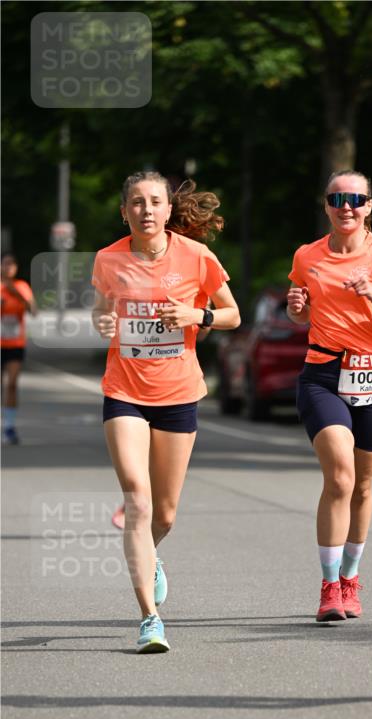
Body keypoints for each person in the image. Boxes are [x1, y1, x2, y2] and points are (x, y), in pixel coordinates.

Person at [92, 172, 240, 652]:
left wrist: (198, 315)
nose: (146, 210)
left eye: (155, 201)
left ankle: (148, 556)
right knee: (138, 500)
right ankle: (149, 620)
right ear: (125, 212)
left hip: (178, 393)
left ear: (168, 210)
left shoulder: (196, 257)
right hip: (124, 391)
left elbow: (233, 314)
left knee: (165, 513)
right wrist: (102, 321)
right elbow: (100, 310)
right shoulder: (108, 259)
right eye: (137, 203)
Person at [287, 170, 372, 622]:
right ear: (326, 204)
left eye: (357, 199)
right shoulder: (307, 255)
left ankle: (349, 578)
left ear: (369, 206)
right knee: (341, 478)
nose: (347, 207)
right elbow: (301, 313)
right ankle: (328, 588)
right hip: (323, 375)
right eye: (338, 198)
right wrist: (297, 309)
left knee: (362, 485)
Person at [1, 253, 37, 444]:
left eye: (12, 264)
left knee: (12, 384)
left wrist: (13, 291)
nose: (9, 267)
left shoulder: (22, 286)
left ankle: (9, 426)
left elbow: (33, 310)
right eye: (6, 264)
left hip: (15, 343)